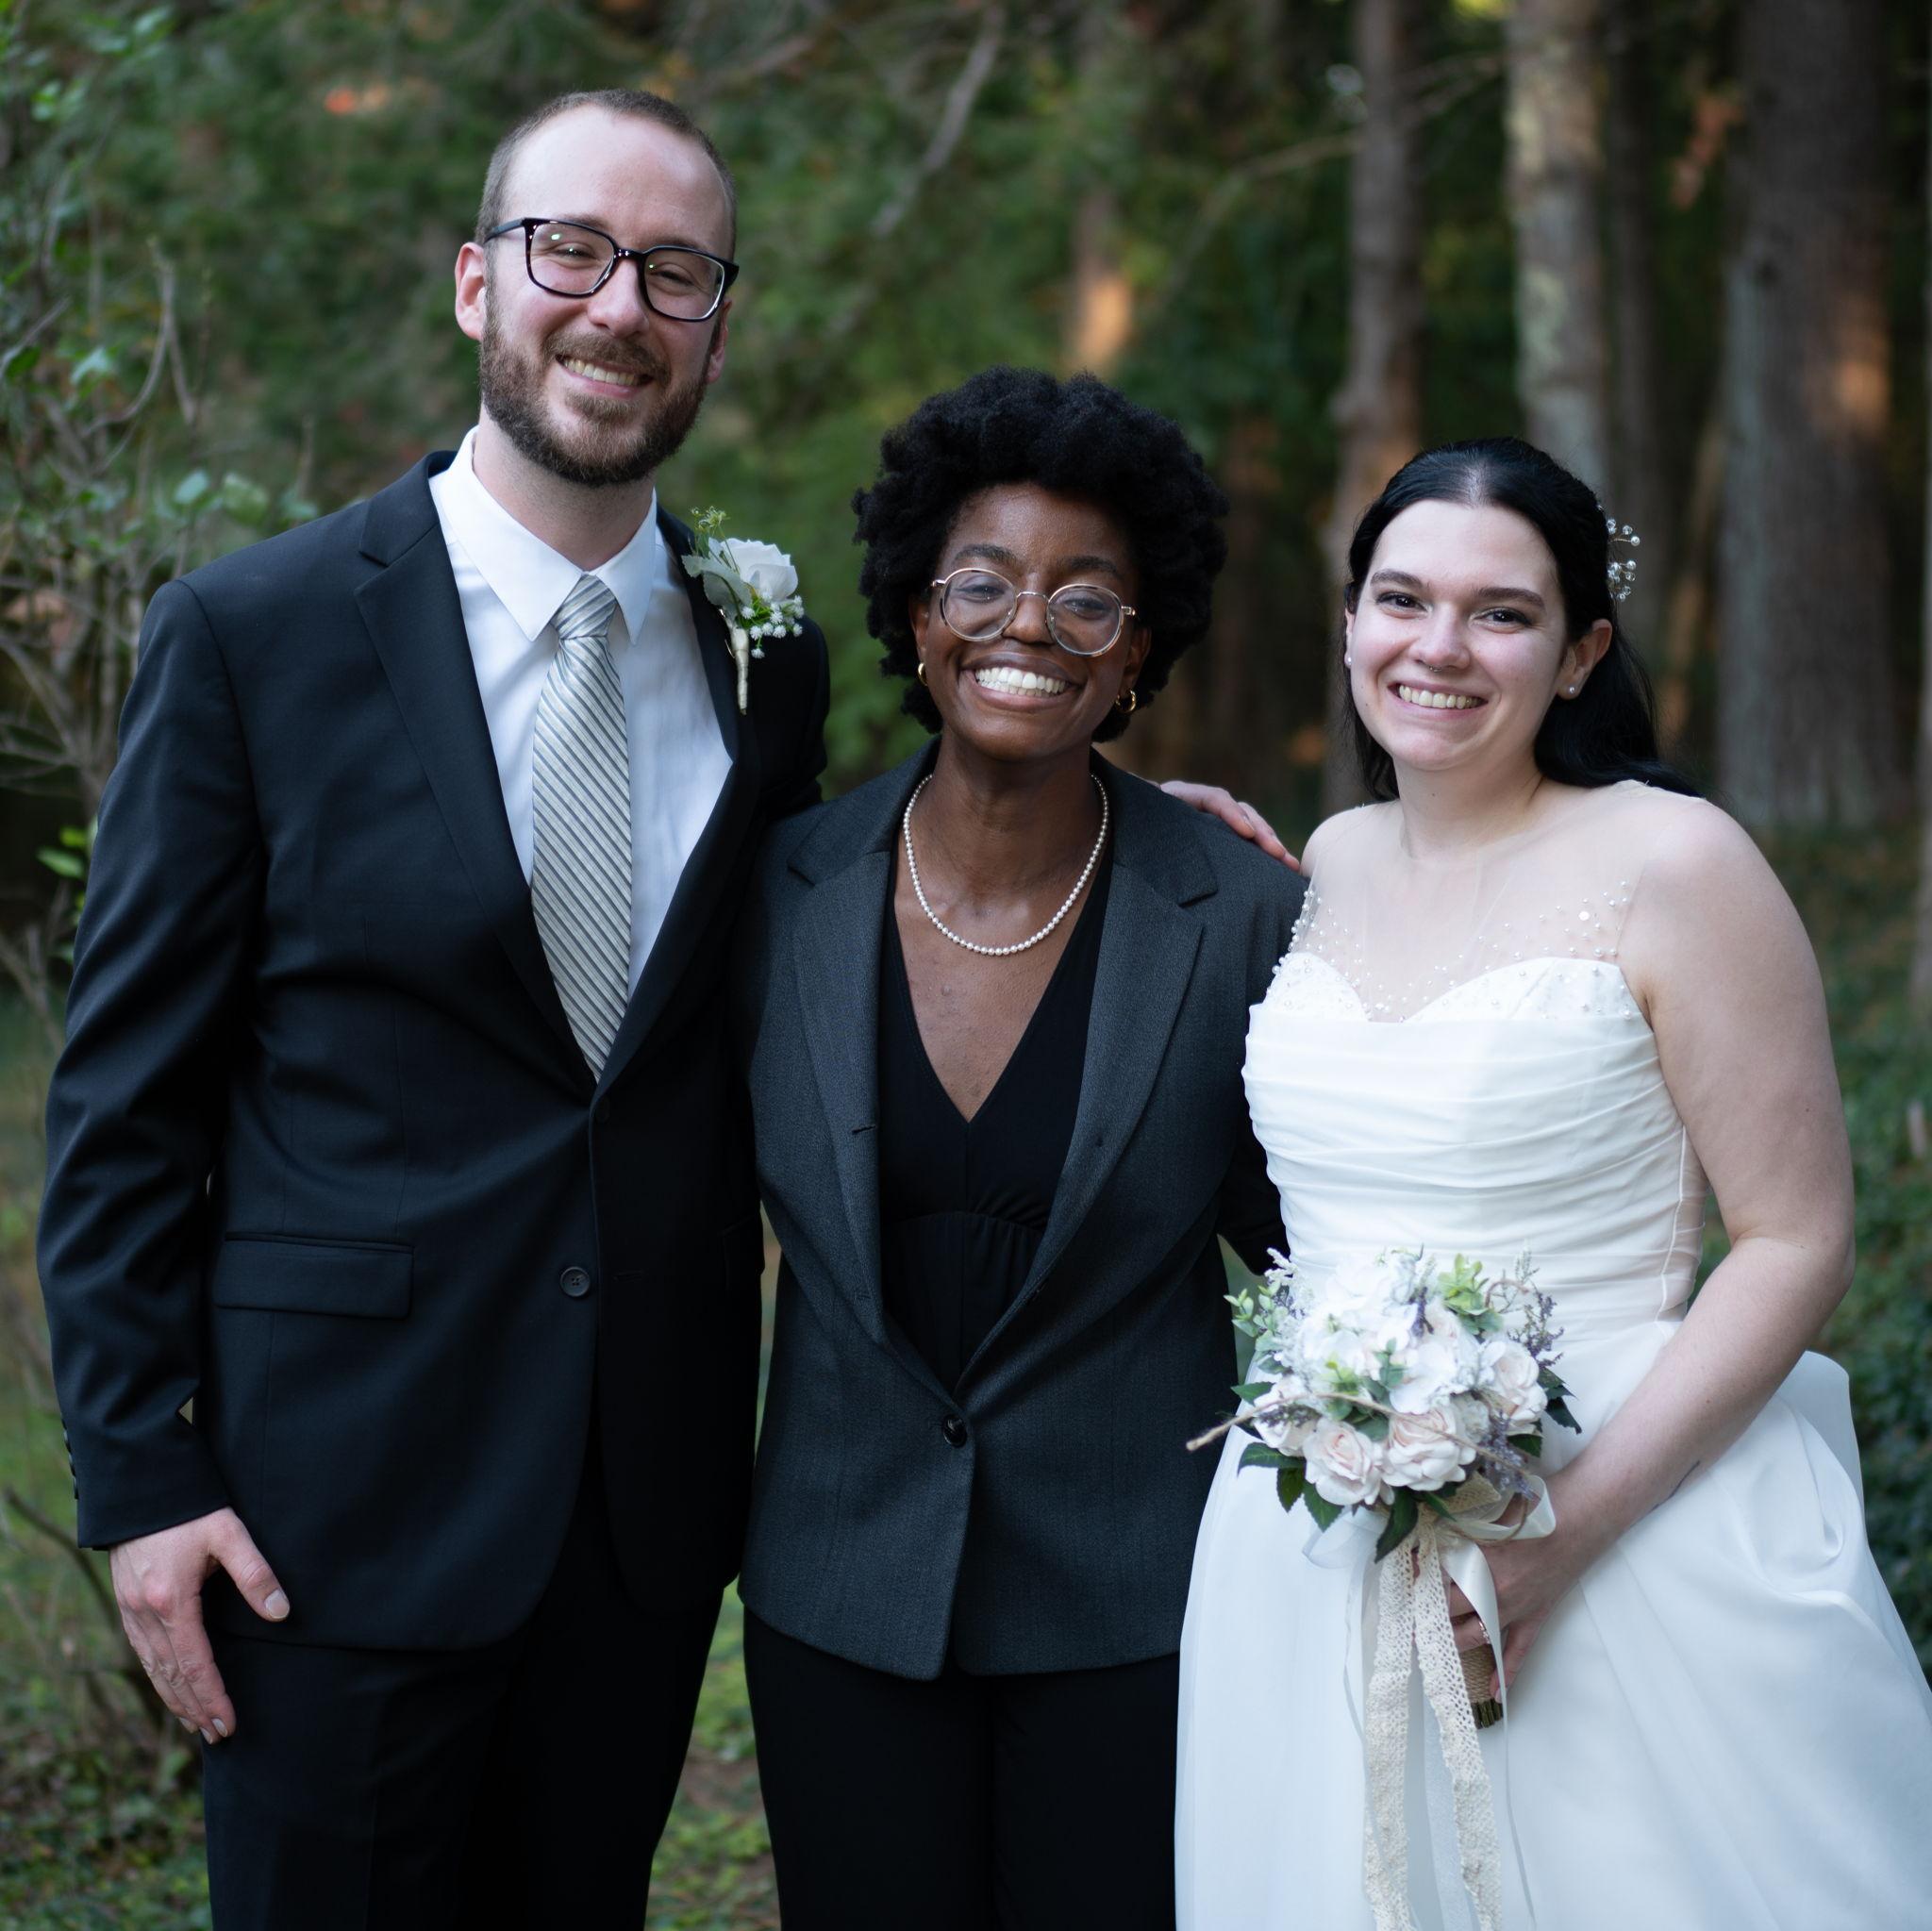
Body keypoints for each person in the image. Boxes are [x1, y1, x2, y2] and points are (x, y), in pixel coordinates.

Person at [36, 91, 1282, 1928]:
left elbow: (910, 866)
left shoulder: (757, 654)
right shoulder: (257, 633)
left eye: (672, 270)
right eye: (571, 250)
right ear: (478, 282)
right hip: (332, 1512)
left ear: (716, 319)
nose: (616, 304)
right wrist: (145, 1479)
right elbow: (123, 1099)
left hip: (643, 1525)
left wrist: (1136, 812)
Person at [1175, 437, 1932, 1929]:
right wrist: (1143, 840)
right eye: (1401, 599)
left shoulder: (1680, 864)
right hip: (1311, 1525)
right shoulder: (1320, 860)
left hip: (1621, 1506)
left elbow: (1795, 1238)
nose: (1438, 648)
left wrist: (1555, 1544)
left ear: (1582, 651)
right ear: (1349, 622)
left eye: (1502, 613)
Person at [730, 366, 1305, 1931]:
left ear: (1137, 658)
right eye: (981, 582)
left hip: (1136, 1600)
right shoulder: (775, 893)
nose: (1027, 626)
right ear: (917, 616)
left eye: (1088, 601)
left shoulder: (1244, 912)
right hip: (838, 1591)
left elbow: (1321, 1252)